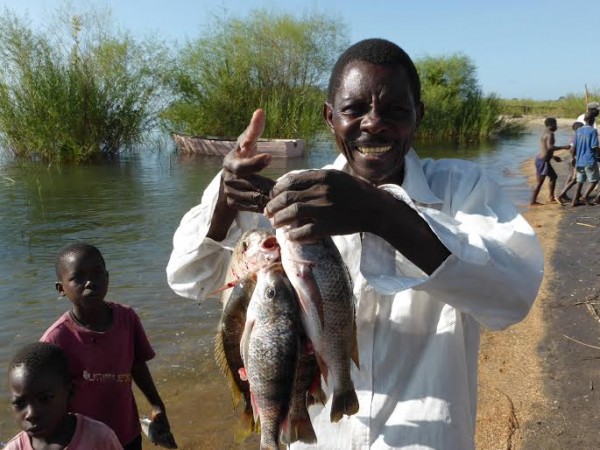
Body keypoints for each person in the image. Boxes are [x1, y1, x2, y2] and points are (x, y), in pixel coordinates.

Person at [166, 38, 544, 449]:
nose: (374, 123)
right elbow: (191, 281)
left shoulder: (463, 190)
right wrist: (224, 203)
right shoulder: (294, 196)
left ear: (418, 115)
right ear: (330, 117)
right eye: (354, 109)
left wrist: (379, 213)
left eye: (395, 110)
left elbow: (512, 297)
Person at [40, 243, 176, 450]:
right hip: (83, 442)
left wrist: (157, 405)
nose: (90, 283)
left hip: (126, 432)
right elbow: (44, 397)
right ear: (61, 289)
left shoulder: (126, 318)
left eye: (97, 273)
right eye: (77, 277)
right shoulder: (56, 339)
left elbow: (137, 365)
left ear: (108, 276)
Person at [4, 341, 122, 450]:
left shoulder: (99, 438)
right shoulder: (15, 448)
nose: (31, 414)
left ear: (69, 393)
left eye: (44, 398)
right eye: (19, 403)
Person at [530, 117, 570, 205]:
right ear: (552, 125)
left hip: (542, 159)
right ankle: (533, 201)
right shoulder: (550, 134)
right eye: (556, 124)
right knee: (540, 182)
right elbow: (550, 147)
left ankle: (551, 197)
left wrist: (553, 156)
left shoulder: (545, 132)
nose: (557, 126)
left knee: (553, 176)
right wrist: (564, 147)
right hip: (542, 161)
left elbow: (546, 149)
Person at [568, 111, 600, 206]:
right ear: (592, 120)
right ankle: (584, 196)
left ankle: (574, 201)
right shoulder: (593, 131)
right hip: (589, 160)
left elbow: (573, 147)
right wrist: (598, 154)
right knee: (594, 180)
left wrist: (573, 158)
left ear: (585, 119)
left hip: (580, 160)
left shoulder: (578, 131)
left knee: (580, 181)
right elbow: (594, 146)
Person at [557, 121, 584, 202]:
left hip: (574, 159)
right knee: (575, 179)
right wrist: (573, 158)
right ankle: (561, 195)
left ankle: (566, 194)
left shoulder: (575, 136)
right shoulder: (576, 137)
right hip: (575, 160)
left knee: (571, 176)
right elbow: (572, 149)